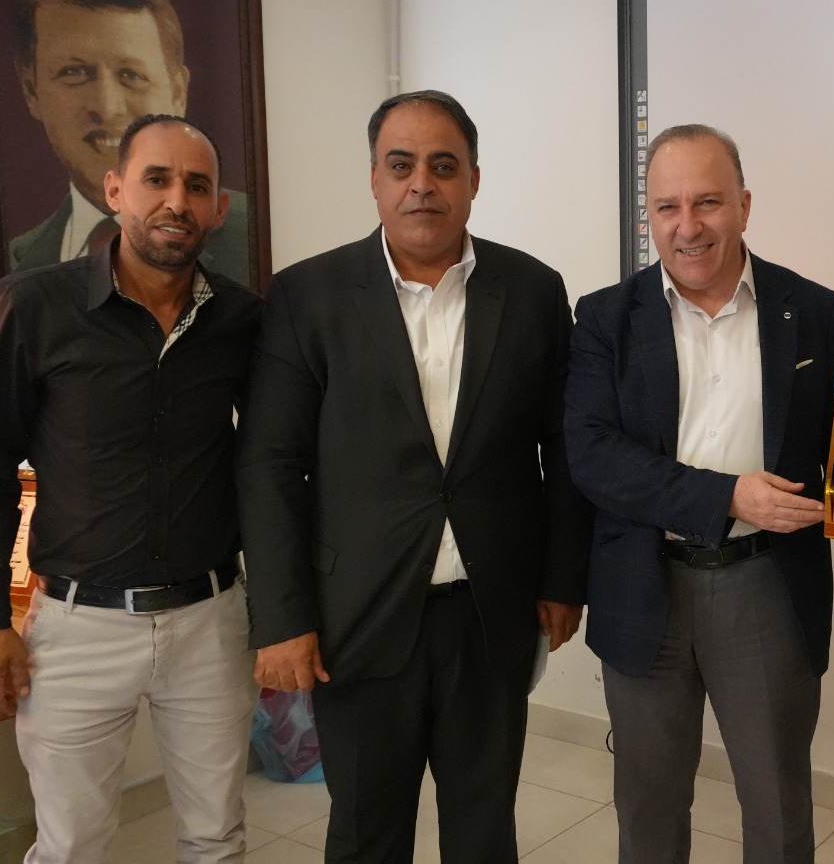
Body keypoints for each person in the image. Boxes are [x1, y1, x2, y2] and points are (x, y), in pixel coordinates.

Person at [238, 90, 592, 864]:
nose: (421, 184)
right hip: (356, 617)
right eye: (401, 166)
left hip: (490, 613)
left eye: (443, 165)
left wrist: (564, 578)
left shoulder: (532, 290)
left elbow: (564, 448)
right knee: (365, 834)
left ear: (474, 179)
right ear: (374, 179)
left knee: (484, 832)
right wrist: (281, 616)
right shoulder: (308, 295)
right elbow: (270, 463)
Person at [0, 114, 262, 863]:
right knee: (71, 847)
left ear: (219, 207)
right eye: (157, 179)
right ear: (115, 189)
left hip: (211, 621)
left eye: (197, 185)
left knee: (217, 839)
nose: (177, 200)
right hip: (76, 629)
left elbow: (270, 465)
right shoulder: (34, 306)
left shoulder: (243, 320)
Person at [564, 124, 834, 863]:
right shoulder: (604, 317)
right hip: (643, 586)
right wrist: (727, 497)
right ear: (649, 216)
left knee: (778, 808)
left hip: (767, 586)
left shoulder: (813, 309)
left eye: (708, 202)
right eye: (668, 206)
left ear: (744, 205)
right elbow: (592, 455)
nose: (687, 226)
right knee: (649, 812)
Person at [10, 0, 251, 284]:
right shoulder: (20, 262)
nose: (108, 107)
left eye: (131, 75)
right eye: (74, 73)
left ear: (178, 92)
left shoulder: (251, 234)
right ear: (32, 90)